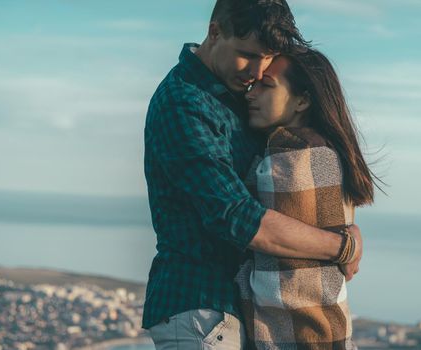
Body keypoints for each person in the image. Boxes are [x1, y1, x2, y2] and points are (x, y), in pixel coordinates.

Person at [143, 0, 363, 348]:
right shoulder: (183, 101)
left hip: (236, 311)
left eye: (266, 59)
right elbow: (235, 217)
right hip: (201, 309)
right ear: (215, 32)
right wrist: (341, 245)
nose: (257, 71)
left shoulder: (233, 95)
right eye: (248, 54)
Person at [235, 49, 376, 349]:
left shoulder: (291, 156)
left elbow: (242, 226)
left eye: (266, 85)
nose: (251, 94)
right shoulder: (330, 155)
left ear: (302, 100)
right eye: (252, 85)